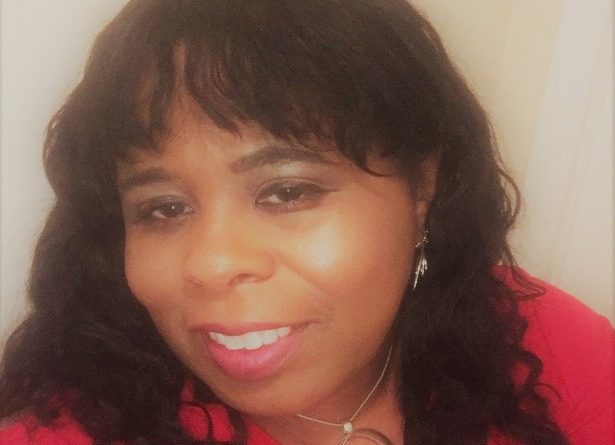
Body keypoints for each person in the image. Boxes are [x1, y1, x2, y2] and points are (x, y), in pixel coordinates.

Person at [0, 1, 612, 444]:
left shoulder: (546, 346)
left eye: (287, 192)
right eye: (163, 208)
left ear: (421, 189)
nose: (211, 263)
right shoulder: (70, 430)